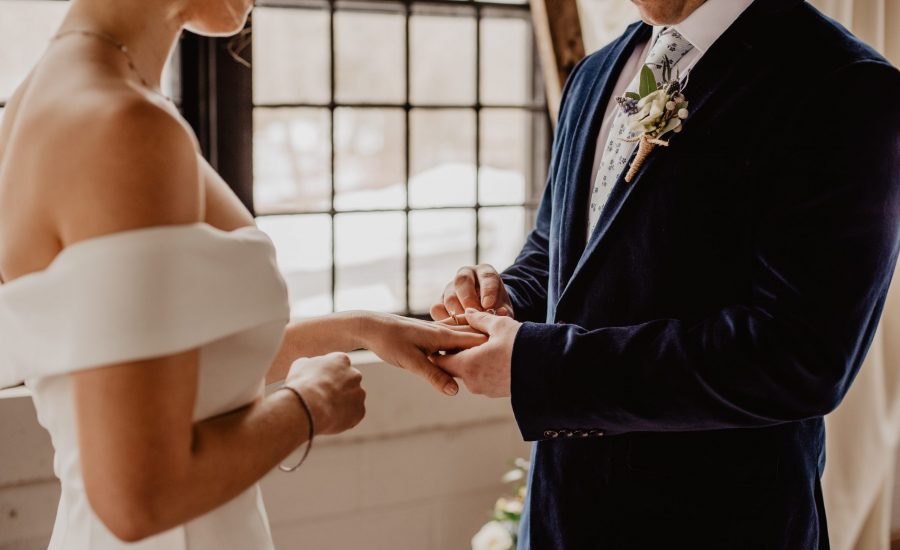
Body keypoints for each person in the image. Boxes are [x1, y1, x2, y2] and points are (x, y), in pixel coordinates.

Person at [0, 0, 485, 548]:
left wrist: (362, 329)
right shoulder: (121, 126)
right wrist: (310, 405)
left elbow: (175, 370)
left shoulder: (50, 99)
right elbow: (139, 498)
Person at [431, 0, 900, 548]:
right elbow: (560, 249)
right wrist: (505, 298)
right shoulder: (595, 71)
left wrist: (538, 367)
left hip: (720, 524)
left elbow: (798, 357)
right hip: (559, 517)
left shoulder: (845, 86)